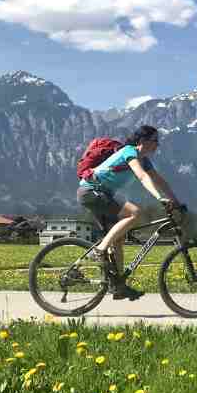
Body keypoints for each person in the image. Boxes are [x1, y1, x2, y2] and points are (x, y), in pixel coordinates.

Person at [77, 125, 180, 300]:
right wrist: (159, 198)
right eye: (155, 141)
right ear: (142, 141)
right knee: (135, 213)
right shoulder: (129, 152)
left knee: (118, 240)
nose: (157, 145)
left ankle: (118, 287)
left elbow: (161, 181)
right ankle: (100, 250)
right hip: (91, 191)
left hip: (101, 194)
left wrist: (176, 202)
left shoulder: (144, 160)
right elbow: (142, 177)